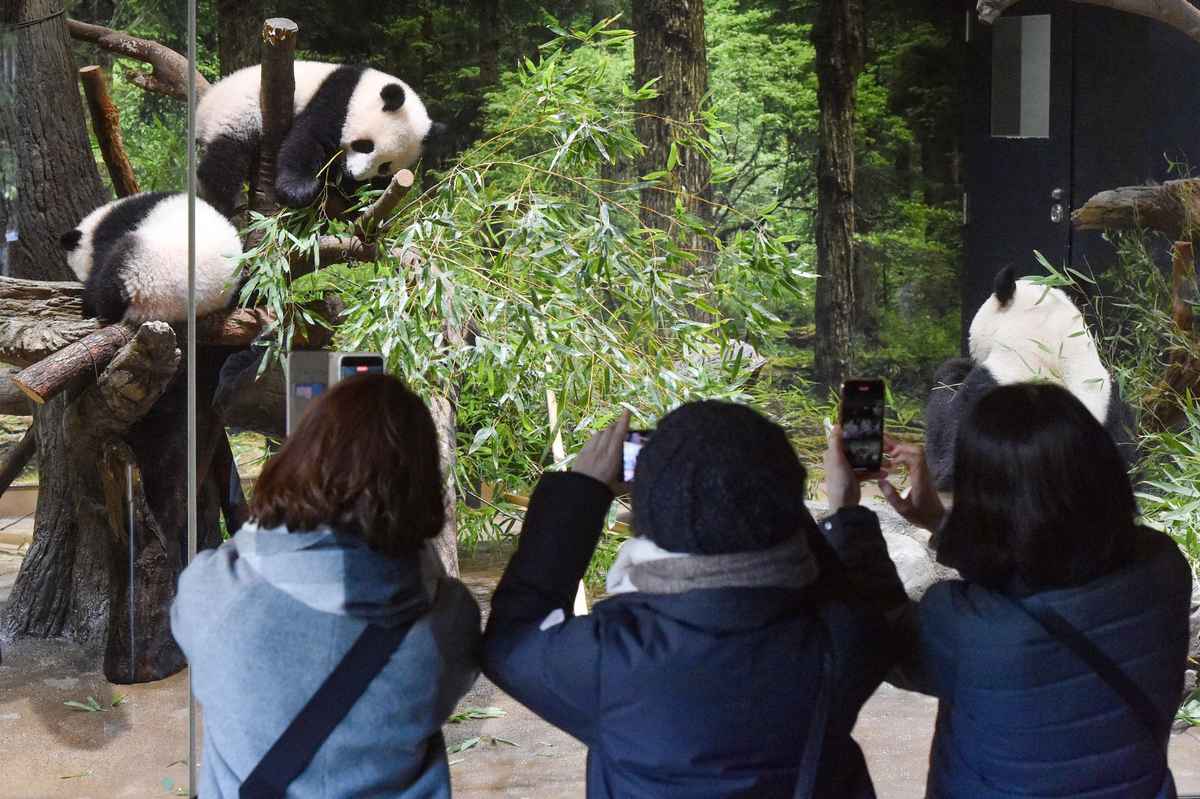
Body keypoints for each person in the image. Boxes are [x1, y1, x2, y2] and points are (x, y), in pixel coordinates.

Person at [482, 400, 908, 798]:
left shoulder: (607, 661)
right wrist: (838, 508)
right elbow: (869, 604)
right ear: (786, 499)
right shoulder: (845, 641)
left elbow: (510, 640)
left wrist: (579, 493)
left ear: (647, 515)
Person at [825, 382, 1190, 799]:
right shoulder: (1164, 569)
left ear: (983, 499)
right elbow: (1041, 569)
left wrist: (847, 513)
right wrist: (940, 523)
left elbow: (887, 645)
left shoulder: (964, 626)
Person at [171, 374, 480, 799]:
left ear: (297, 458)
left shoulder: (217, 592)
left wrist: (279, 510)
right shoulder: (448, 620)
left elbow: (241, 557)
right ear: (421, 486)